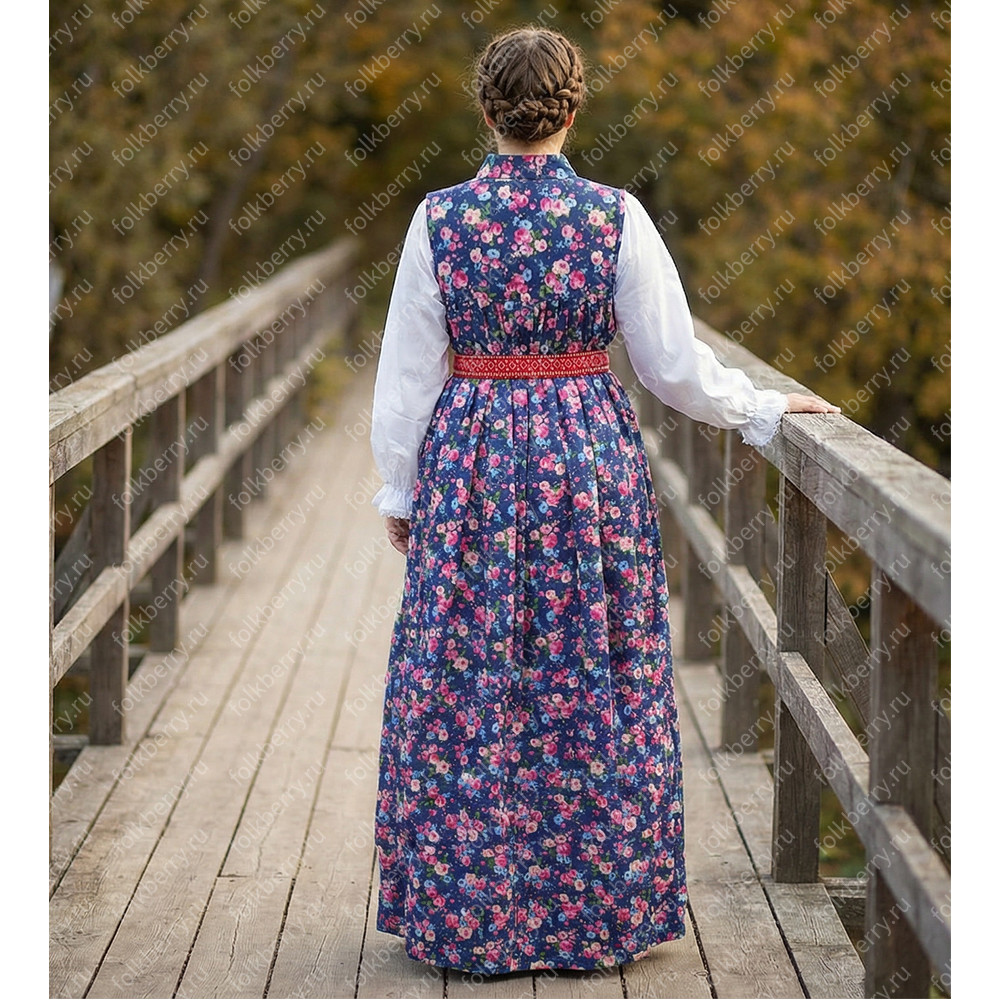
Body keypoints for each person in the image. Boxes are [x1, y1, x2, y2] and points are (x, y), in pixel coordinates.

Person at [368, 26, 839, 976]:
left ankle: (473, 910)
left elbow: (408, 372)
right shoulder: (613, 216)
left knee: (470, 675)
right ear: (573, 108)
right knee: (594, 666)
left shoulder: (439, 219)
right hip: (587, 464)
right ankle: (592, 907)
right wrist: (759, 406)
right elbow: (670, 366)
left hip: (472, 462)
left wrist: (401, 486)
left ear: (487, 108)